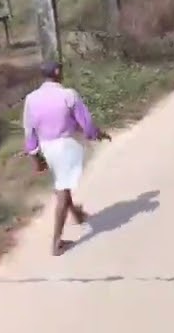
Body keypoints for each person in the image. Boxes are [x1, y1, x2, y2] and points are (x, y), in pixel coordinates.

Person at [22, 61, 111, 256]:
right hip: (66, 146)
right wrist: (97, 134)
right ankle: (56, 243)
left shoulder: (31, 99)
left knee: (63, 182)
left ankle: (77, 214)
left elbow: (29, 131)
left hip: (47, 147)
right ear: (56, 72)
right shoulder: (68, 95)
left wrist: (34, 156)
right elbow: (86, 124)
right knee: (62, 189)